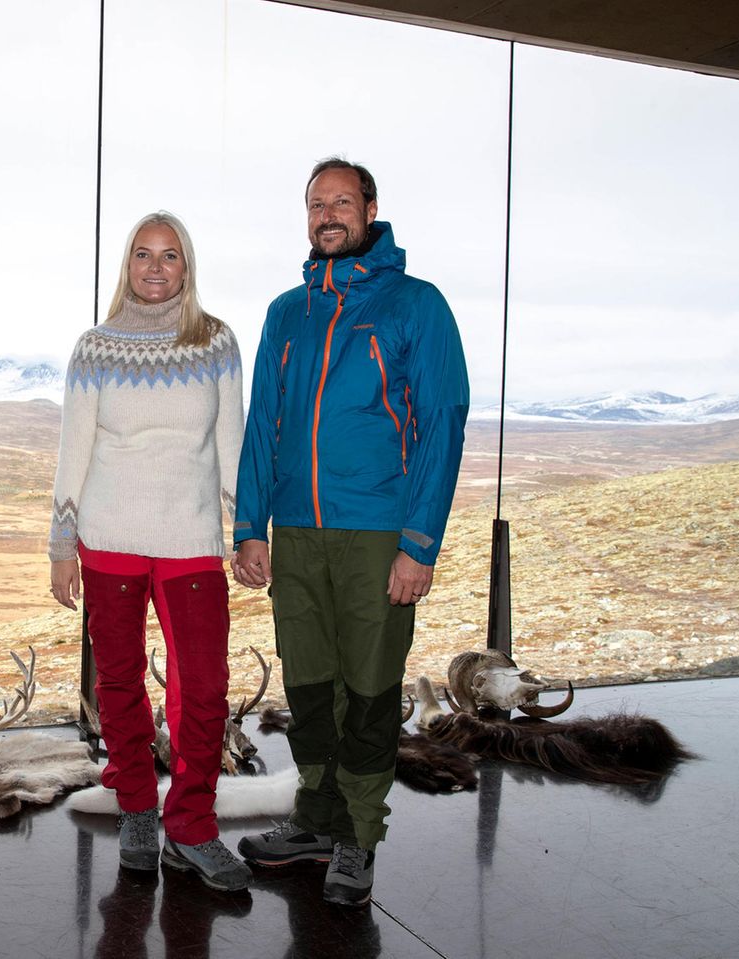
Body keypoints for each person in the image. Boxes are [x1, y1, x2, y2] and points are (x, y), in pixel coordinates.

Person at [230, 158, 469, 907]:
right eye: (315, 204)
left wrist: (418, 542)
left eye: (341, 200)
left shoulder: (415, 305)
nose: (327, 214)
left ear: (370, 209)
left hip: (376, 535)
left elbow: (442, 424)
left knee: (367, 693)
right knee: (309, 688)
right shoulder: (285, 313)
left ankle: (359, 834)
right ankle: (316, 818)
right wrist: (250, 525)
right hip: (295, 535)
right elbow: (262, 424)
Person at [48, 211, 249, 892]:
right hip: (107, 539)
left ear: (186, 266)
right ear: (127, 266)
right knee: (119, 680)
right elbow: (74, 449)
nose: (155, 267)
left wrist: (247, 530)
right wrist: (62, 542)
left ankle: (191, 825)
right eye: (142, 254)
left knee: (206, 686)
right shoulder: (94, 347)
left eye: (169, 255)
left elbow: (231, 445)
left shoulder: (215, 341)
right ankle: (137, 802)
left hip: (192, 541)